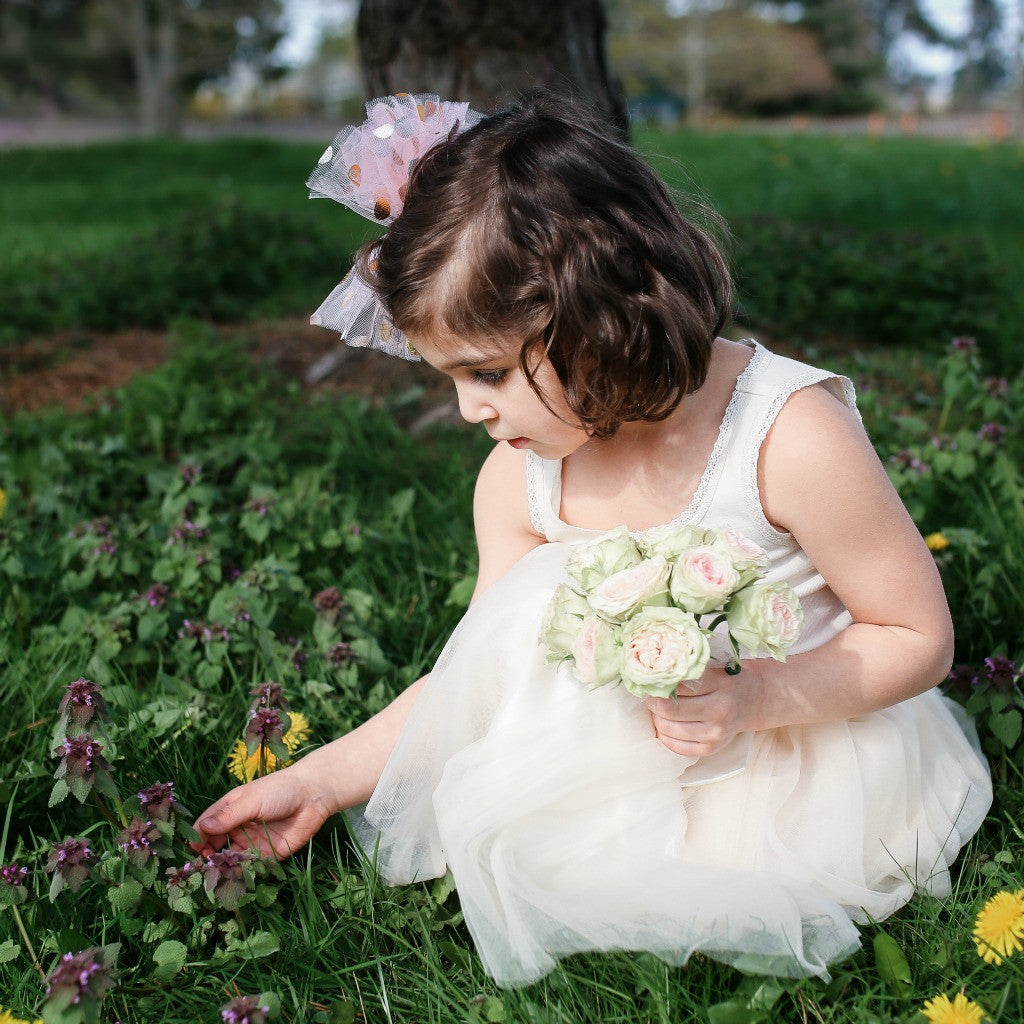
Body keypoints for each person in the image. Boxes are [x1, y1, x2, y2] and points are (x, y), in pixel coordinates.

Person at [193, 91, 992, 986]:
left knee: (724, 877)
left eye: (487, 372)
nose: (468, 410)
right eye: (448, 376)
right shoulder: (520, 477)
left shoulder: (787, 436)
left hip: (799, 732)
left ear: (601, 316)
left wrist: (755, 699)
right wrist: (321, 779)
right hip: (623, 752)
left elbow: (916, 636)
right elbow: (475, 678)